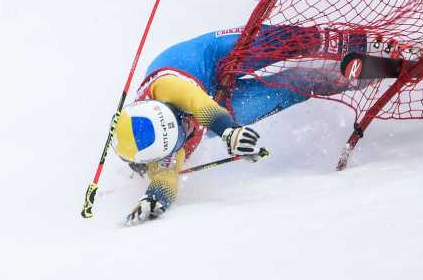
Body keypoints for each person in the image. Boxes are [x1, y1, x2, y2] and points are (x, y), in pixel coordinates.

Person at [114, 24, 366, 225]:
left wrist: (229, 132)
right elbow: (165, 178)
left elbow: (200, 106)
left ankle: (350, 41)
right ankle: (356, 75)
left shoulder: (164, 87)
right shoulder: (165, 153)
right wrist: (154, 200)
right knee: (288, 89)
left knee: (278, 43)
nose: (188, 127)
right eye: (182, 136)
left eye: (179, 118)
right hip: (222, 105)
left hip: (209, 59)